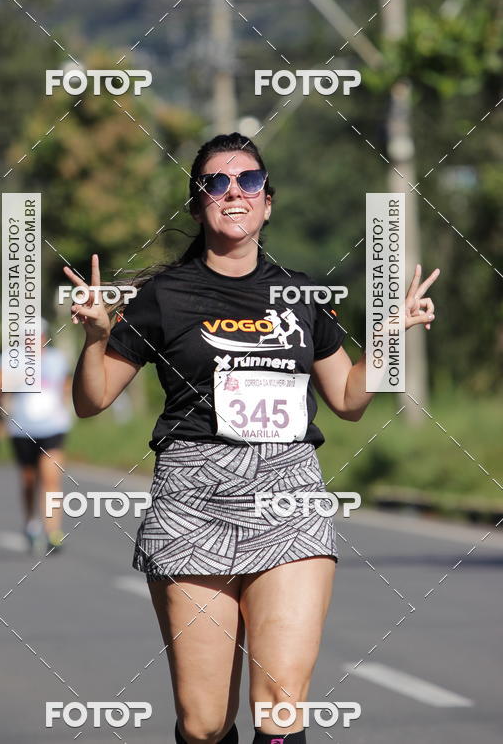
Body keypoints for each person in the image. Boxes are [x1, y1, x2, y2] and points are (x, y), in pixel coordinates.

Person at [63, 133, 439, 744]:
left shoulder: (301, 294)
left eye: (250, 181)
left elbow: (347, 398)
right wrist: (96, 337)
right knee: (206, 721)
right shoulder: (163, 297)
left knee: (282, 703)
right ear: (198, 204)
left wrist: (392, 333)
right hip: (193, 497)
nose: (234, 191)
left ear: (268, 201)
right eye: (216, 182)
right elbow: (92, 399)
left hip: (289, 491)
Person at [0, 320, 73, 553]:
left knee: (51, 478)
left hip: (53, 427)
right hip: (21, 428)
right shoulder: (10, 358)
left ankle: (53, 532)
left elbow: (67, 385)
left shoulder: (56, 359)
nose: (32, 341)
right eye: (27, 337)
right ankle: (30, 523)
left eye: (36, 336)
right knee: (29, 479)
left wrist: (65, 406)